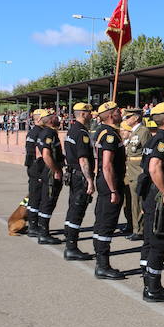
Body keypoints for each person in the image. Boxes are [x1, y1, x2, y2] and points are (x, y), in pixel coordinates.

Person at [139, 102, 164, 302]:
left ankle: (148, 281)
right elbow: (155, 168)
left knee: (149, 239)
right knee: (158, 241)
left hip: (149, 195)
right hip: (157, 196)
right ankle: (153, 289)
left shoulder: (154, 139)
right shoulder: (163, 139)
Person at [92, 101, 127, 280]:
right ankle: (103, 265)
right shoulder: (110, 134)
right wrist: (114, 190)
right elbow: (107, 165)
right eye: (118, 111)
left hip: (104, 182)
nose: (121, 114)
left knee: (101, 222)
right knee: (106, 224)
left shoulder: (101, 131)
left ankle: (100, 261)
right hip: (109, 183)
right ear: (112, 115)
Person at [62, 102, 95, 261]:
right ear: (83, 114)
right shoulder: (81, 132)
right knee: (77, 211)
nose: (91, 115)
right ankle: (71, 247)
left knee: (72, 209)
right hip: (79, 175)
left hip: (72, 174)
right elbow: (83, 159)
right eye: (89, 113)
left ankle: (69, 241)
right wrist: (89, 180)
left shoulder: (72, 130)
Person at [35, 112, 65, 245]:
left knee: (47, 201)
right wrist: (56, 171)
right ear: (51, 120)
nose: (59, 119)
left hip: (48, 170)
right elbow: (46, 155)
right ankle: (43, 233)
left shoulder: (46, 132)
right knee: (49, 201)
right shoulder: (49, 133)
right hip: (50, 172)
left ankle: (43, 232)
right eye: (56, 117)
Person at [122, 108, 149, 242]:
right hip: (131, 173)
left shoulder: (143, 132)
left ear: (136, 117)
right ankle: (135, 227)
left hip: (138, 173)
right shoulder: (134, 132)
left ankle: (139, 230)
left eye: (128, 117)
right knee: (133, 203)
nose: (126, 120)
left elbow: (146, 154)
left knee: (138, 203)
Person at [24, 109, 46, 237]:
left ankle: (33, 224)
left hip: (32, 167)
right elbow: (39, 154)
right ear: (38, 119)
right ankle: (33, 226)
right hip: (37, 167)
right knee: (36, 197)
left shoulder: (33, 132)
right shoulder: (39, 132)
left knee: (35, 196)